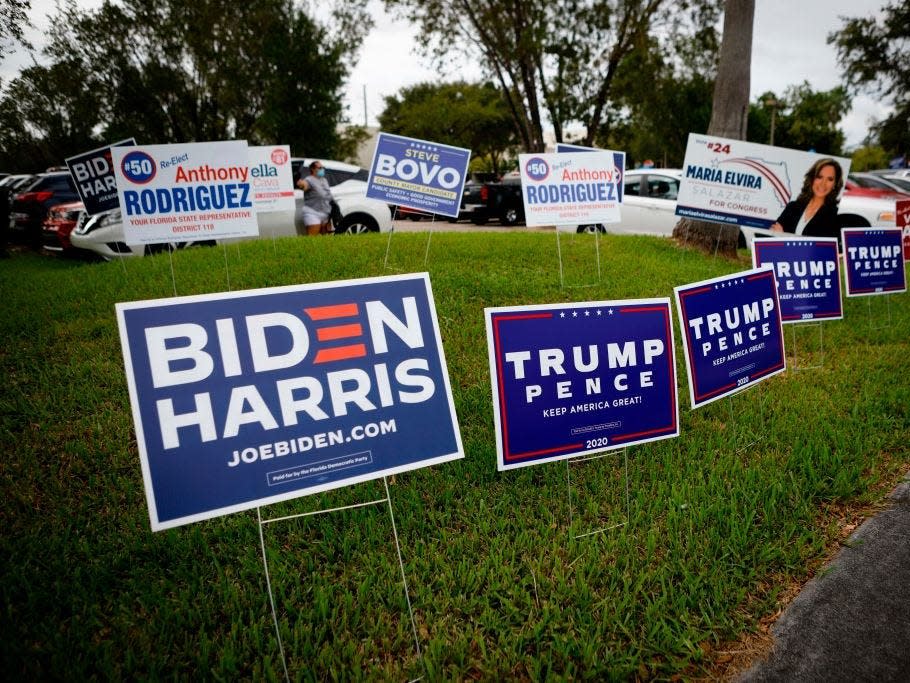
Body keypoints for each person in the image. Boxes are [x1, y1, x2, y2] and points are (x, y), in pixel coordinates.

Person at [770, 158, 843, 238]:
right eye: (819, 177)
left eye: (830, 179)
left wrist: (784, 237)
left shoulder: (834, 216)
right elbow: (773, 234)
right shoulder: (793, 207)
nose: (823, 183)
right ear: (812, 179)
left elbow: (821, 249)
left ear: (835, 184)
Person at [296, 160, 334, 236]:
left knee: (327, 238)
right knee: (312, 238)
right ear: (313, 169)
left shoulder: (324, 180)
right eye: (320, 168)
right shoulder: (309, 179)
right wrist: (301, 184)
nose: (322, 169)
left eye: (323, 167)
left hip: (326, 213)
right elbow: (304, 185)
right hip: (313, 212)